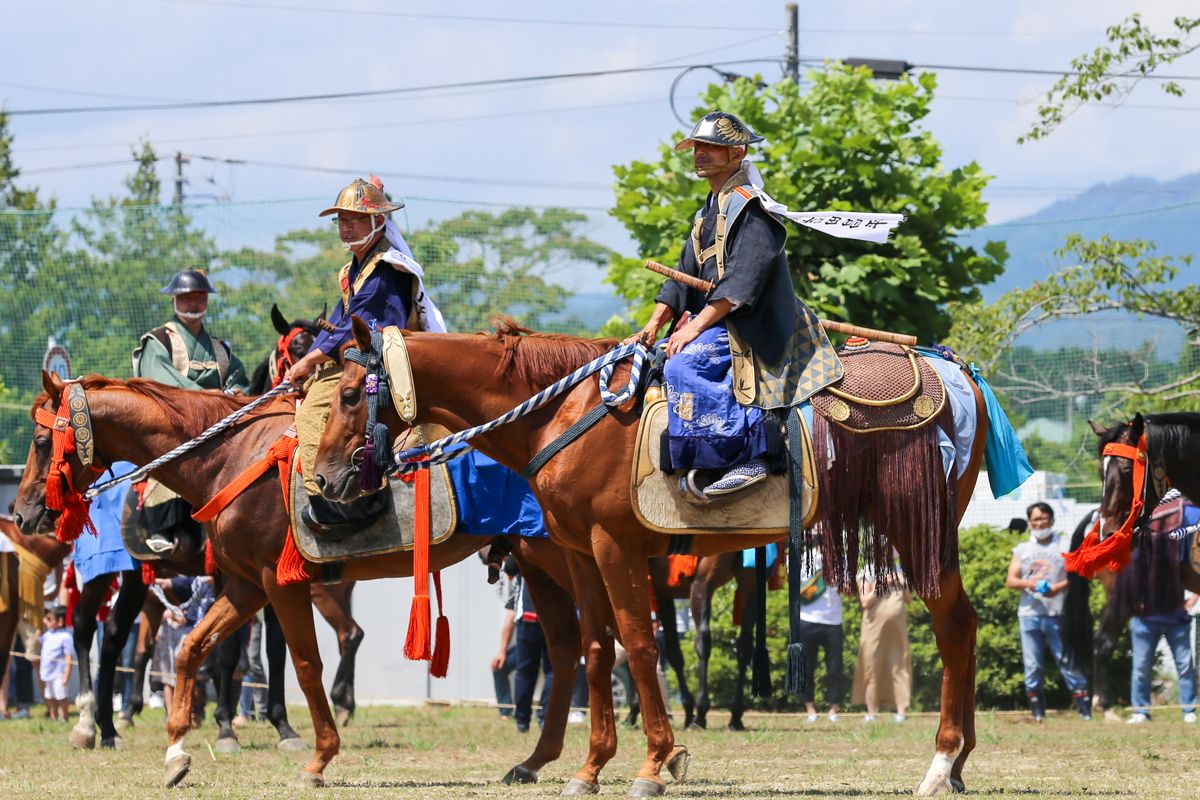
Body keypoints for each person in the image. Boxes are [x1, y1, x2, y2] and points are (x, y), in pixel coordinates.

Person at [624, 111, 842, 501]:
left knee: (685, 363)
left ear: (738, 152)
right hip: (722, 321)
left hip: (757, 323)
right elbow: (683, 275)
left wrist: (692, 327)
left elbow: (741, 282)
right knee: (652, 361)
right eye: (697, 147)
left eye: (712, 147)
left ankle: (746, 457)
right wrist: (653, 323)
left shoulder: (754, 208)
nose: (700, 154)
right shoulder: (705, 212)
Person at [283, 176, 446, 536]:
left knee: (313, 408)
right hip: (364, 355)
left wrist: (309, 361)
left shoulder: (387, 267)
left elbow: (366, 323)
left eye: (355, 219)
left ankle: (337, 502)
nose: (346, 227)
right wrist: (312, 359)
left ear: (378, 222)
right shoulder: (356, 268)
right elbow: (344, 321)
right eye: (341, 220)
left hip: (387, 362)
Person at [133, 269, 249, 554]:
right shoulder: (157, 341)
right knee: (177, 455)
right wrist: (206, 397)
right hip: (174, 424)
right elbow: (159, 382)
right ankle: (160, 527)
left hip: (218, 425)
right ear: (174, 299)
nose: (193, 304)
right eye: (186, 298)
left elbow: (238, 380)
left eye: (199, 297)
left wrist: (232, 394)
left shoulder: (221, 348)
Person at [1006, 501, 1090, 721]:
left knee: (1067, 661)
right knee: (1032, 665)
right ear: (1029, 523)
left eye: (1044, 518)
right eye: (1036, 519)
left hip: (1058, 613)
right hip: (1029, 615)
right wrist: (1029, 584)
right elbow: (1011, 580)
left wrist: (1056, 588)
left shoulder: (1064, 545)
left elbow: (1078, 574)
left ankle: (1085, 710)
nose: (1040, 523)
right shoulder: (1022, 550)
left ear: (1052, 520)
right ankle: (1038, 714)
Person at [1122, 491, 1199, 724]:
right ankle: (1140, 712)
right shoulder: (1136, 552)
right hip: (1145, 620)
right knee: (1141, 667)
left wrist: (1192, 599)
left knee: (1185, 666)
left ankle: (1188, 710)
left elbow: (1193, 574)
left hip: (1177, 617)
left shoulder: (1180, 547)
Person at [852, 570, 911, 722]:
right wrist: (883, 584)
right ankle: (872, 713)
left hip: (897, 628)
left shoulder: (901, 571)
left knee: (899, 664)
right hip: (873, 628)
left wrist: (903, 583)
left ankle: (901, 711)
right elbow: (865, 602)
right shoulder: (866, 572)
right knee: (871, 665)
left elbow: (909, 599)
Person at [795, 554, 844, 722]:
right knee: (807, 667)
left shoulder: (840, 561)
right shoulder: (800, 559)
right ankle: (810, 709)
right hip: (807, 620)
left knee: (835, 668)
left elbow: (849, 590)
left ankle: (833, 709)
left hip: (833, 621)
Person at [506, 558, 552, 733]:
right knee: (552, 671)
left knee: (525, 671)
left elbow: (509, 568)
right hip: (555, 615)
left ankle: (522, 721)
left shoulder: (525, 536)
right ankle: (546, 719)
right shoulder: (560, 539)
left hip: (529, 614)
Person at [39, 605, 74, 721]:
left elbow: (69, 656)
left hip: (59, 674)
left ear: (60, 622)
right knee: (50, 696)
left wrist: (67, 673)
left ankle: (64, 717)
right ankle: (53, 716)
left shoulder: (66, 637)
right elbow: (40, 641)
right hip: (47, 673)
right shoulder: (48, 634)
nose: (45, 621)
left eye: (49, 619)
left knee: (61, 696)